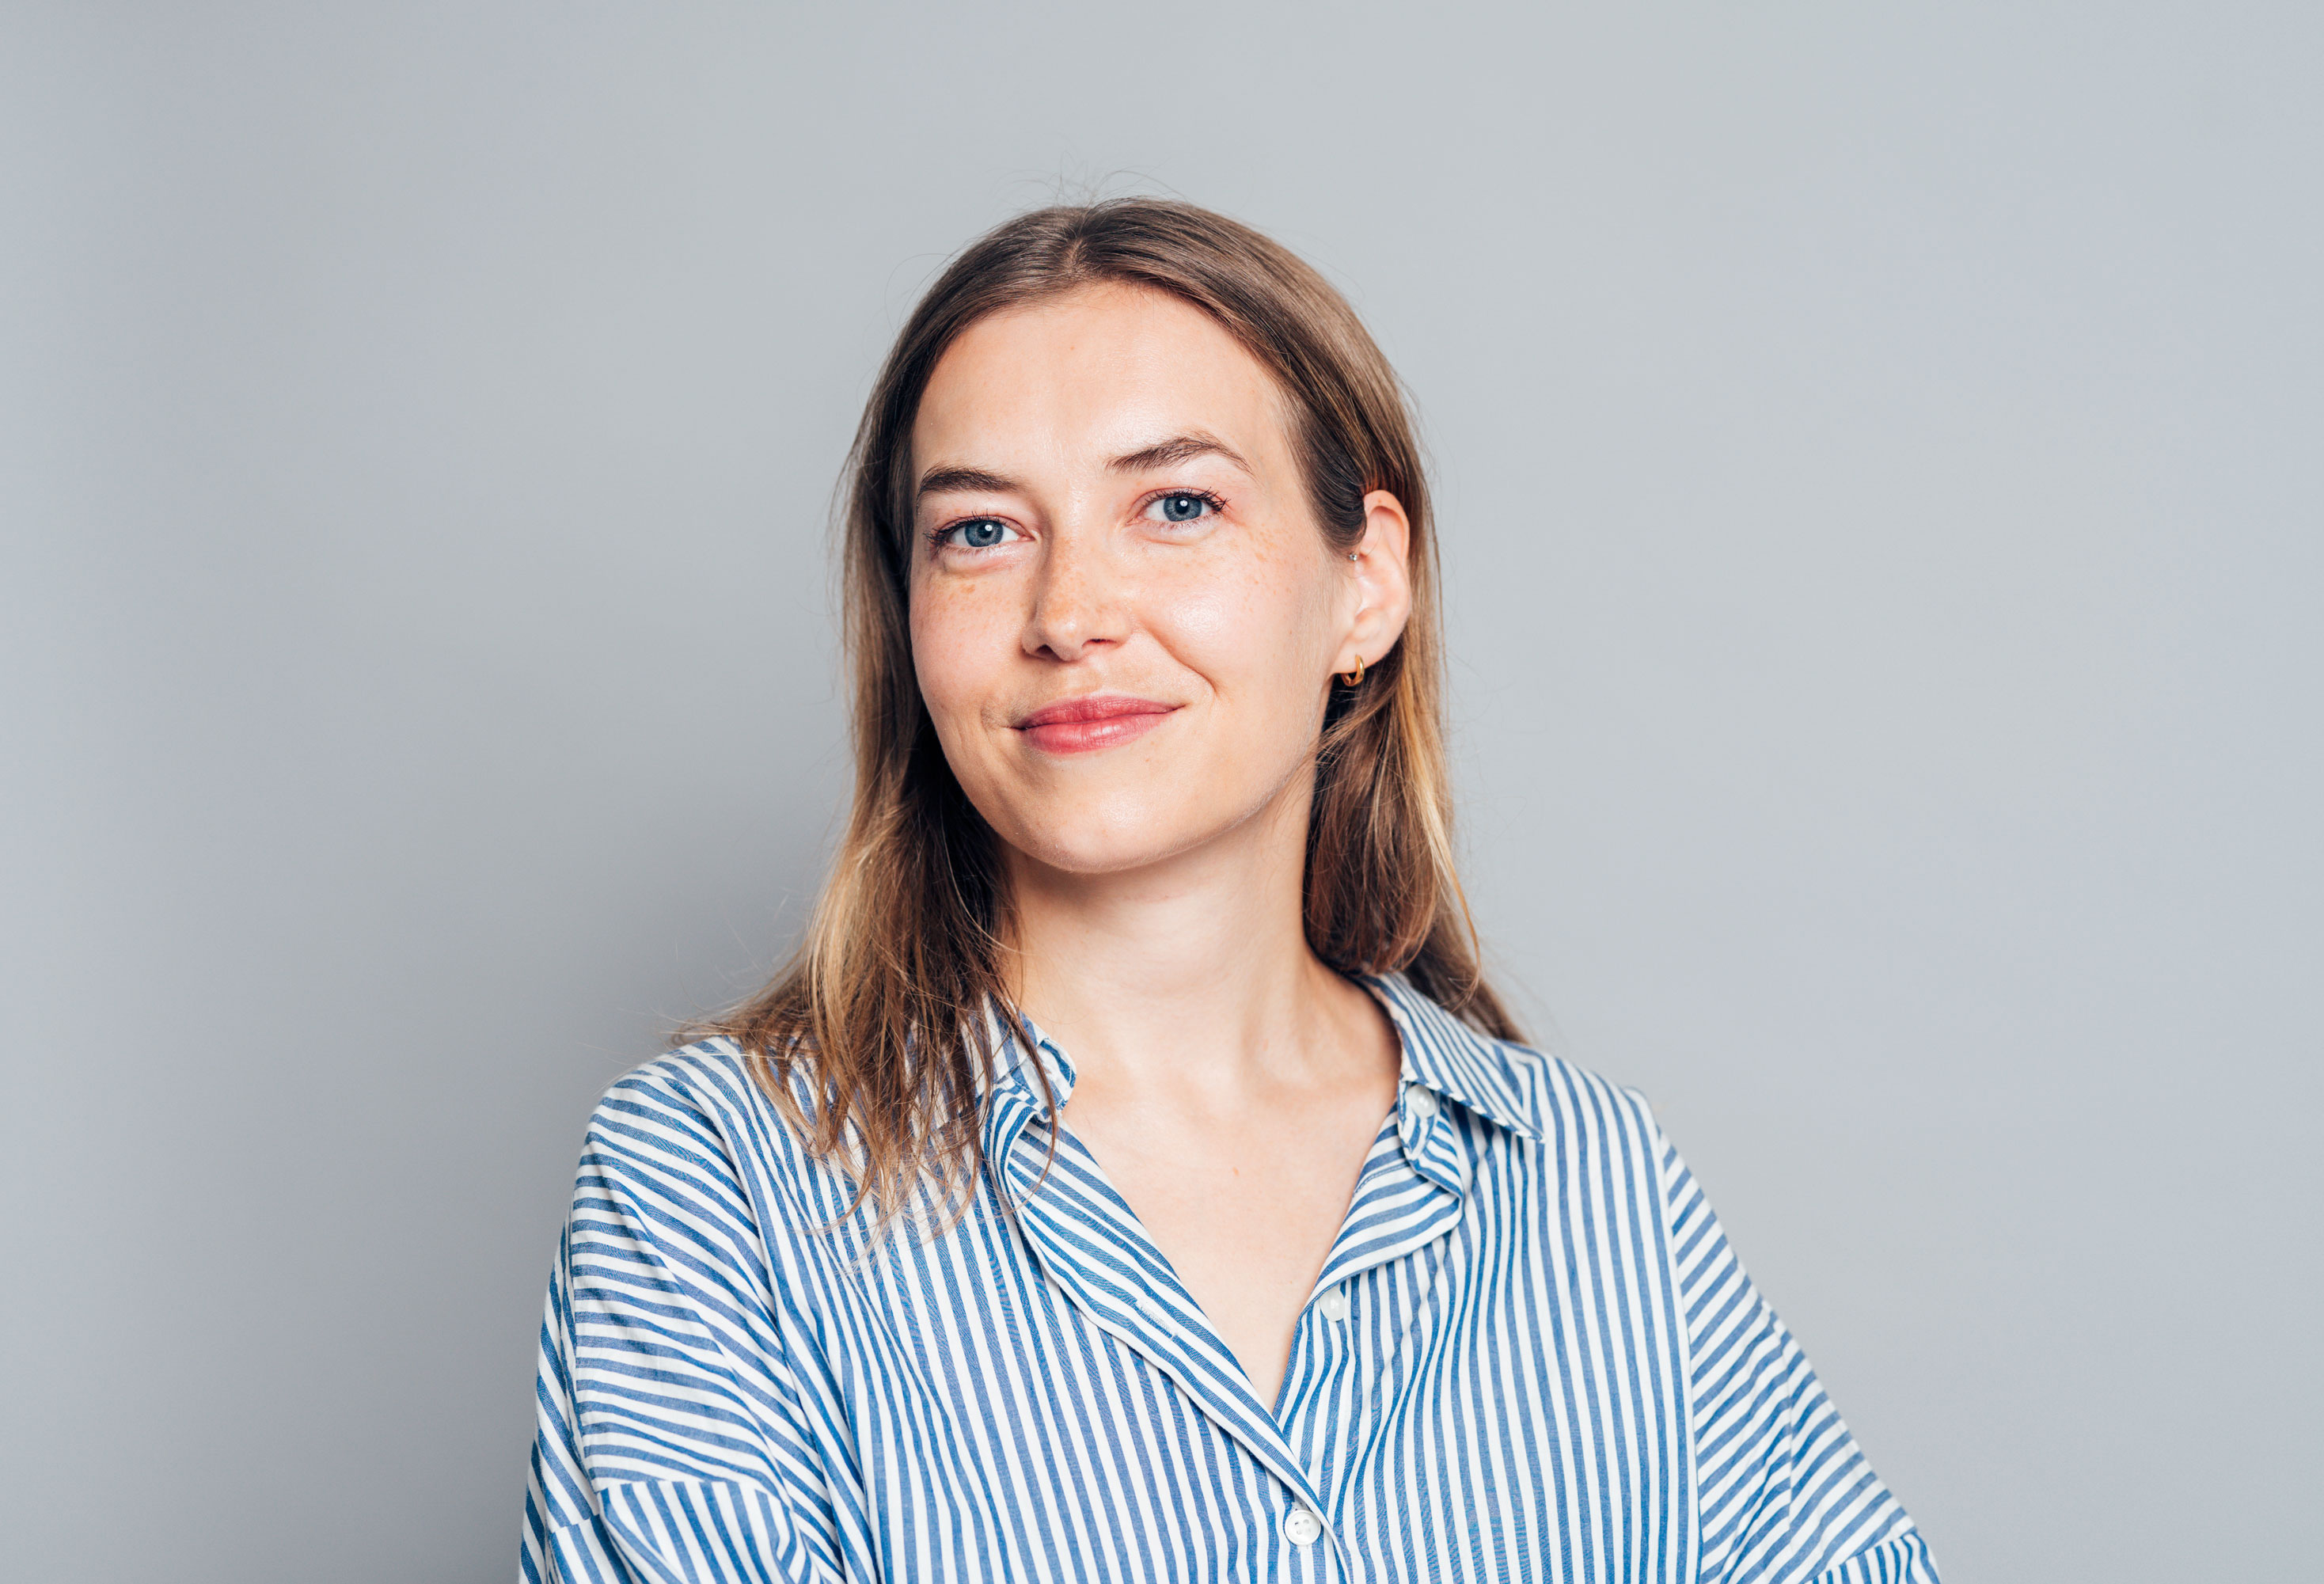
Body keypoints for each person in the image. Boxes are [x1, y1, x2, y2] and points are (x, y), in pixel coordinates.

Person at [518, 198, 1938, 1583]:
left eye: (1177, 504)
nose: (1069, 614)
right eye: (981, 531)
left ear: (1365, 583)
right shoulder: (712, 1182)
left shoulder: (1588, 1180)